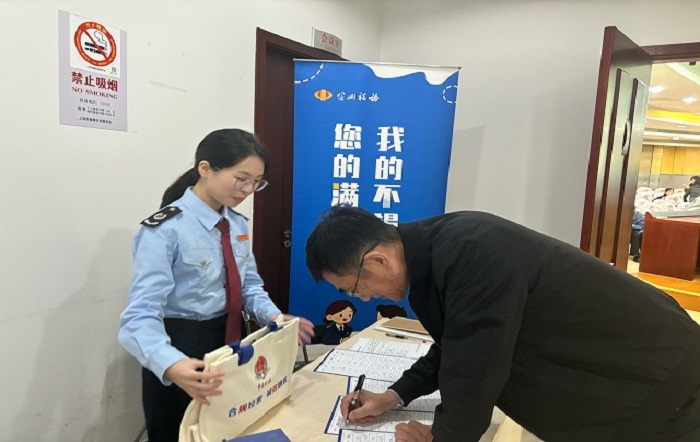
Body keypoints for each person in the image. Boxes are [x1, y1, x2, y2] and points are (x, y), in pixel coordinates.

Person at [305, 206, 700, 442]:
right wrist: (394, 396)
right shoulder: (437, 253)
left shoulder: (468, 252)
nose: (363, 298)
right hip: (638, 377)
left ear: (377, 260)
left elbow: (475, 369)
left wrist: (442, 438)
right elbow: (457, 345)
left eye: (355, 287)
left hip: (661, 382)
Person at [118, 129, 314, 442]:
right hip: (182, 348)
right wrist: (171, 365)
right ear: (206, 168)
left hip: (230, 343)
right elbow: (139, 316)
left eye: (256, 182)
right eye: (241, 179)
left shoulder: (235, 224)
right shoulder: (165, 230)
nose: (248, 190)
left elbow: (248, 286)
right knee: (177, 434)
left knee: (229, 429)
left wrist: (275, 318)